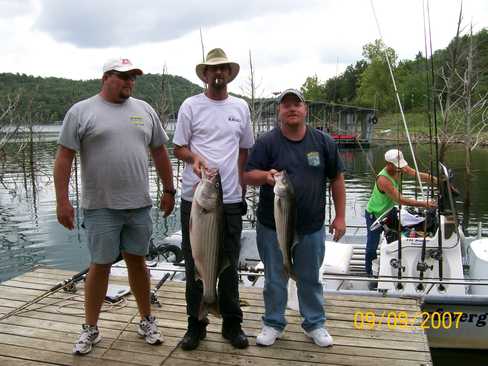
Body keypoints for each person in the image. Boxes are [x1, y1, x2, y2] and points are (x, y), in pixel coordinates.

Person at [54, 57, 175, 355]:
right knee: (101, 265)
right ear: (106, 77)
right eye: (123, 77)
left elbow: (160, 151)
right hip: (100, 206)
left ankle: (147, 319)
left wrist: (169, 189)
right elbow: (64, 158)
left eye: (133, 78)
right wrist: (62, 201)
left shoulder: (144, 110)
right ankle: (91, 329)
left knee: (138, 262)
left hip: (138, 205)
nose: (129, 83)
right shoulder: (81, 111)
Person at [243, 88, 346, 347]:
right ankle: (273, 322)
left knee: (310, 278)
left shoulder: (323, 142)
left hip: (312, 227)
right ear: (279, 110)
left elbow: (336, 179)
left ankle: (315, 323)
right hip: (272, 225)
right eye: (286, 105)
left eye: (296, 104)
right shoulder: (267, 142)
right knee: (275, 277)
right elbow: (248, 174)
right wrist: (266, 176)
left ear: (305, 109)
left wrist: (341, 217)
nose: (291, 109)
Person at [173, 48, 254, 350]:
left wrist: (243, 182)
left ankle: (233, 326)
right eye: (212, 70)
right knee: (194, 264)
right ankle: (196, 326)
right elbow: (179, 147)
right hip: (195, 199)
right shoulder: (191, 105)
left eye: (223, 70)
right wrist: (194, 158)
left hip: (231, 199)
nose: (218, 74)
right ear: (205, 75)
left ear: (229, 74)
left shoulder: (241, 108)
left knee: (230, 265)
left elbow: (244, 149)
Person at [365, 148, 437, 281]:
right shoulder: (383, 179)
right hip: (375, 214)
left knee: (400, 235)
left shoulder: (400, 167)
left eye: (401, 165)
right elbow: (400, 200)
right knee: (371, 246)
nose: (401, 169)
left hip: (389, 211)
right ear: (389, 164)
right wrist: (425, 203)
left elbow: (415, 173)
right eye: (397, 166)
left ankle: (397, 265)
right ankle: (369, 273)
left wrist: (436, 180)